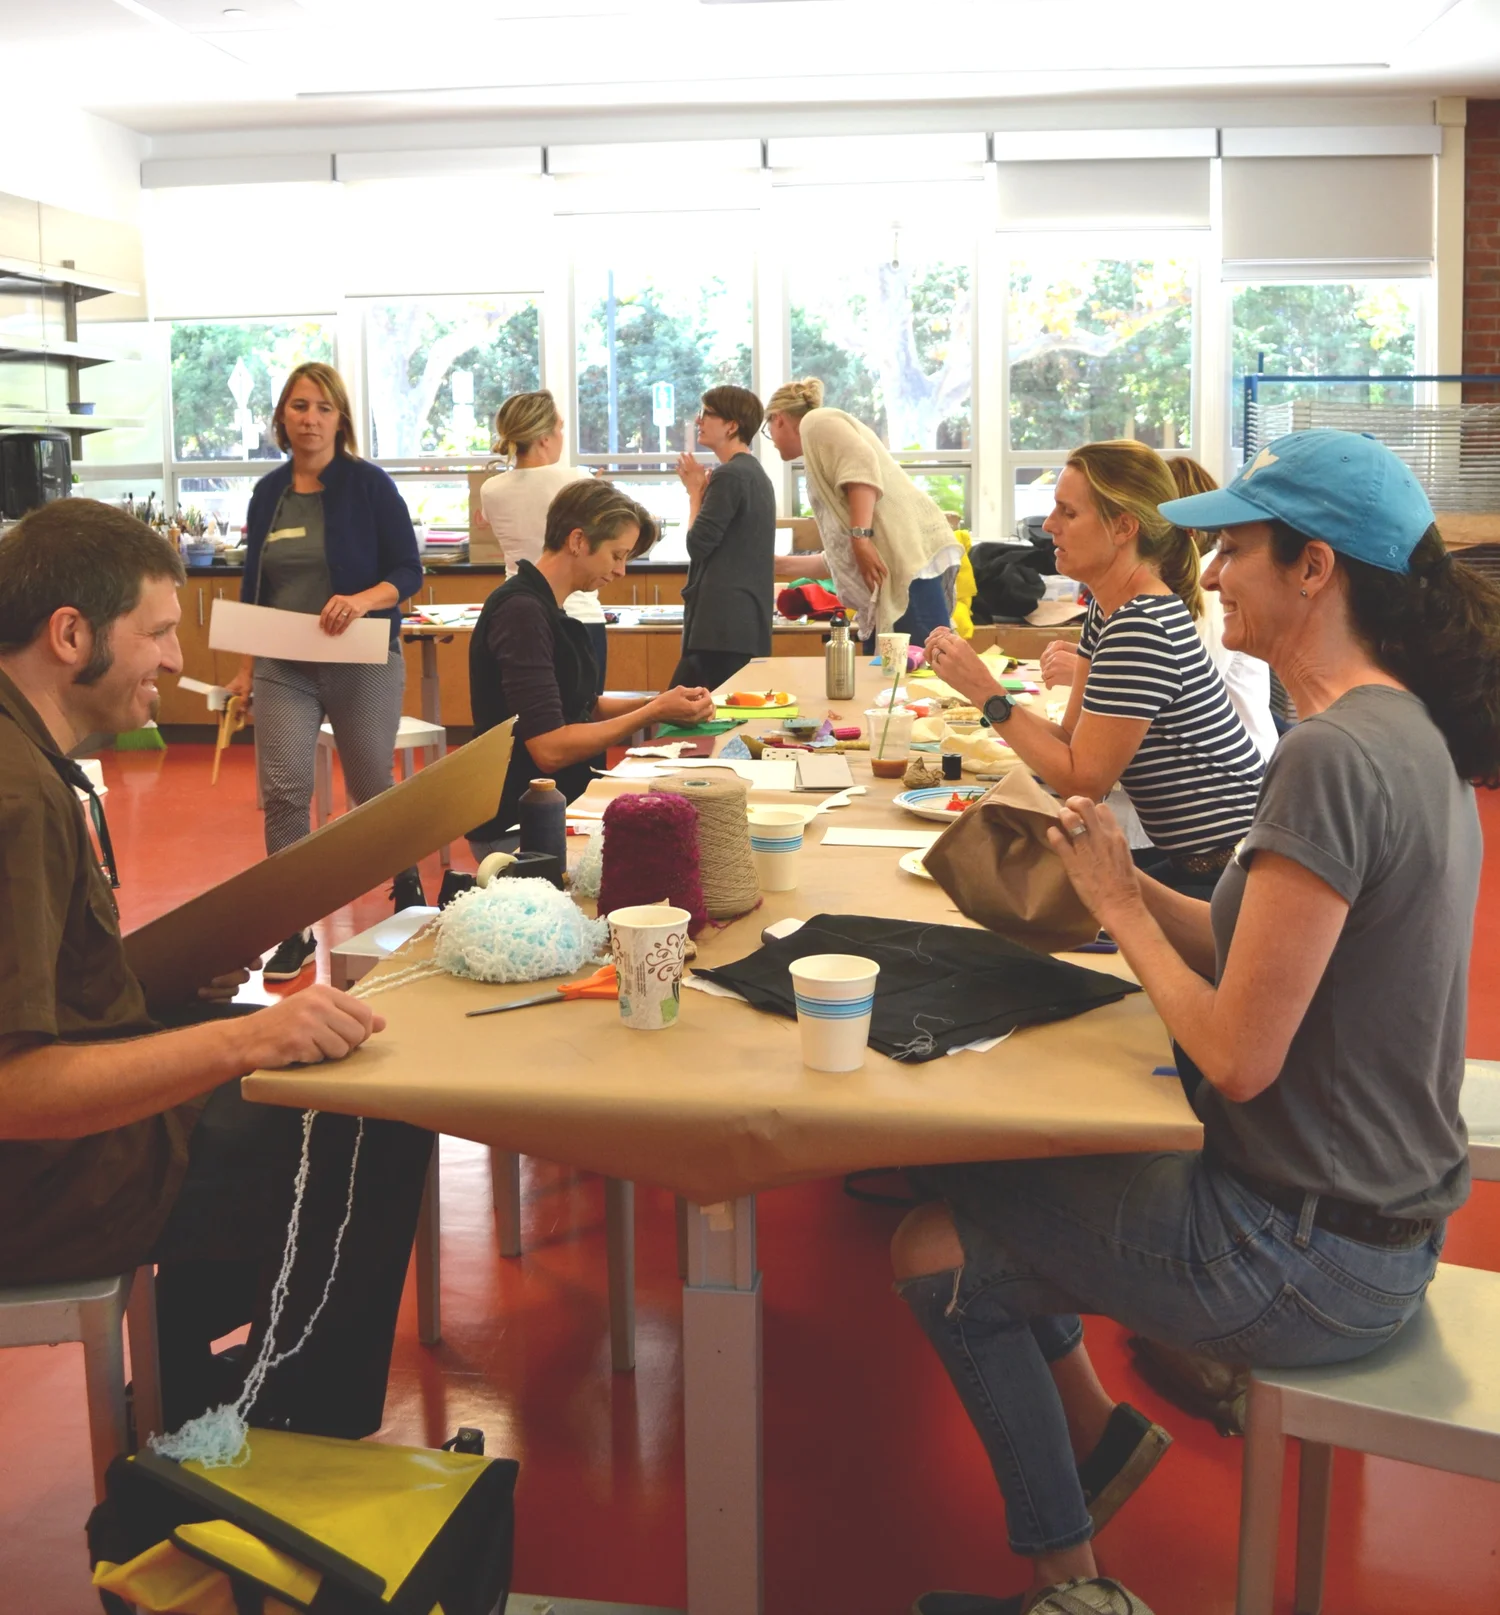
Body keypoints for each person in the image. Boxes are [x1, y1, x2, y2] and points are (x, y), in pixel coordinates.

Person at [890, 430, 1499, 1615]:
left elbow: (1237, 1054)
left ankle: (1072, 1587)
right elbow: (1248, 946)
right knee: (980, 1165)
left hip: (1303, 1254)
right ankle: (1096, 1446)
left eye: (1235, 550)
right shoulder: (1399, 730)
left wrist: (1120, 910)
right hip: (1376, 1229)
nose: (1210, 573)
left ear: (1315, 568)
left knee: (932, 1245)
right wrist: (1119, 879)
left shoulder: (1330, 758)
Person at [0, 499, 433, 1441]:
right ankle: (285, 1419)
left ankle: (193, 1379)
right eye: (157, 632)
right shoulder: (17, 798)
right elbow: (16, 1089)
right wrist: (246, 1039)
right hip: (42, 1183)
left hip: (58, 1151)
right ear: (70, 635)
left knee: (332, 1084)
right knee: (373, 1118)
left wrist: (157, 979)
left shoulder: (27, 758)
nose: (173, 660)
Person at [926, 439, 1264, 898]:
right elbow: (1070, 741)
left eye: (1068, 512)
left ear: (1123, 527)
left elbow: (1083, 782)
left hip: (1229, 873)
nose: (1049, 525)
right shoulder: (1109, 612)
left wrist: (986, 693)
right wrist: (983, 695)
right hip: (1200, 859)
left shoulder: (1140, 625)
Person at [226, 361, 425, 982]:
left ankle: (407, 882)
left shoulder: (369, 485)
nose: (309, 419)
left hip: (360, 656)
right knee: (285, 791)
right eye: (298, 406)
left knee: (370, 785)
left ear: (340, 419)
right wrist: (244, 670)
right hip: (282, 664)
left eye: (322, 408)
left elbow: (408, 571)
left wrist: (363, 600)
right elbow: (254, 588)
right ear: (282, 417)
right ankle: (294, 926)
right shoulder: (268, 493)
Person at [466, 480, 716, 858]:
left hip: (558, 811)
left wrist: (660, 703)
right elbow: (549, 748)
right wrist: (652, 713)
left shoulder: (548, 608)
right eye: (617, 555)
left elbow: (583, 707)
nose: (621, 571)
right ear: (578, 541)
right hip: (520, 828)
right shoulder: (521, 613)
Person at [763, 377, 959, 645]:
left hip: (904, 570)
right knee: (886, 668)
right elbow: (840, 558)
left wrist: (860, 539)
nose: (772, 441)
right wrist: (778, 564)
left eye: (767, 430)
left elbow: (862, 465)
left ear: (778, 419)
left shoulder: (816, 421)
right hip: (893, 573)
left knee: (920, 663)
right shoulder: (818, 451)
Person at [477, 389, 606, 689]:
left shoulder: (491, 489)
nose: (562, 436)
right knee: (585, 711)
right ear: (544, 439)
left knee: (528, 710)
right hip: (578, 615)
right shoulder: (578, 480)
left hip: (516, 615)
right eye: (560, 428)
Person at [671, 384, 777, 690]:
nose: (698, 420)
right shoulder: (754, 473)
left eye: (707, 414)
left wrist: (694, 493)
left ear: (732, 426)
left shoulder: (729, 475)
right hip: (742, 625)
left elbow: (697, 544)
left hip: (720, 628)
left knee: (679, 709)